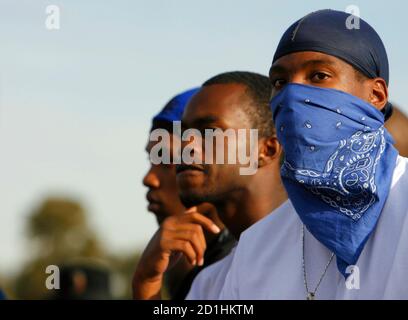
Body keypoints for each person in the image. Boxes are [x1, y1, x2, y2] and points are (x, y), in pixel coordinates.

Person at [219, 9, 408, 299]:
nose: (293, 95)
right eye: (280, 82)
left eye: (319, 76)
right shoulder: (256, 246)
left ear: (376, 96)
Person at [174, 71, 287, 299]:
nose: (187, 146)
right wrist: (146, 283)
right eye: (185, 133)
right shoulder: (208, 283)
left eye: (210, 131)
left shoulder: (325, 255)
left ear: (267, 149)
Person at [133, 88, 236, 300]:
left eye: (167, 160)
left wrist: (146, 282)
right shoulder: (185, 265)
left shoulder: (249, 264)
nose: (149, 178)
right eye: (151, 161)